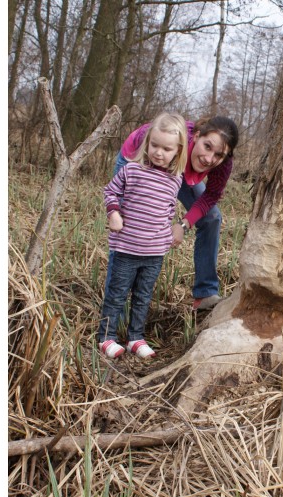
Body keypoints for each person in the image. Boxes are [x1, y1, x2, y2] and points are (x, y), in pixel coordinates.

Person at [108, 115, 239, 310]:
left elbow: (210, 196)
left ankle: (206, 293)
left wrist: (184, 224)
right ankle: (114, 304)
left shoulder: (223, 164)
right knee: (131, 225)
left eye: (218, 155)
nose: (209, 159)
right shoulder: (170, 140)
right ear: (196, 136)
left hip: (180, 169)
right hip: (142, 161)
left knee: (211, 217)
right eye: (207, 146)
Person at [97, 113, 188, 359]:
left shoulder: (174, 180)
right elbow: (110, 191)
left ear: (178, 151)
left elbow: (168, 210)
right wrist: (113, 213)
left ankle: (135, 337)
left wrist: (169, 232)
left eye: (167, 149)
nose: (159, 152)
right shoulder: (132, 170)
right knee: (117, 294)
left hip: (154, 253)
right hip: (127, 247)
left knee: (143, 296)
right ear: (147, 143)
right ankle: (106, 336)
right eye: (155, 145)